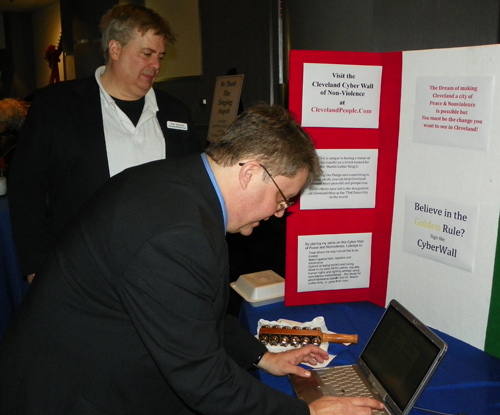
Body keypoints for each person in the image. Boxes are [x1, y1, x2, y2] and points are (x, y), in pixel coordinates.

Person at [0, 103, 383, 415]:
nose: (279, 212)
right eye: (283, 198)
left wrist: (263, 357)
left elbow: (193, 312)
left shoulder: (181, 185)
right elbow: (203, 379)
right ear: (250, 172)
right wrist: (310, 413)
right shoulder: (178, 232)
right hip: (76, 392)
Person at [7, 4, 203, 283]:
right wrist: (36, 266)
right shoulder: (55, 106)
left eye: (160, 56)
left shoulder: (176, 113)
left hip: (162, 267)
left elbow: (192, 189)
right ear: (115, 49)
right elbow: (26, 189)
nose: (156, 65)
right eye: (146, 54)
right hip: (84, 270)